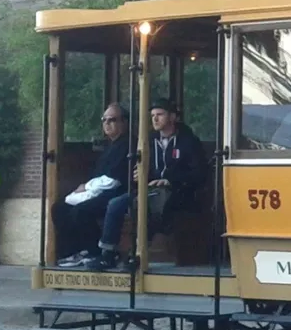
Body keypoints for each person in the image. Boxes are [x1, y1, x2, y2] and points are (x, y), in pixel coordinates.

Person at [74, 101, 206, 270]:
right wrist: (141, 175)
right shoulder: (149, 140)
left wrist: (171, 180)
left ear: (173, 117)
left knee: (144, 206)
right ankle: (109, 255)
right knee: (117, 203)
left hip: (179, 191)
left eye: (160, 115)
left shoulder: (188, 141)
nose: (155, 119)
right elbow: (145, 168)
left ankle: (134, 255)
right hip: (149, 189)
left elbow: (200, 173)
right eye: (152, 116)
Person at [51, 102, 131, 263]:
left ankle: (95, 252)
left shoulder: (128, 144)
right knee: (59, 207)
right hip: (98, 191)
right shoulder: (110, 145)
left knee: (81, 211)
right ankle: (72, 252)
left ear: (124, 122)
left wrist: (87, 187)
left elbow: (113, 180)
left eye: (112, 120)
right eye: (104, 120)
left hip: (117, 192)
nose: (107, 124)